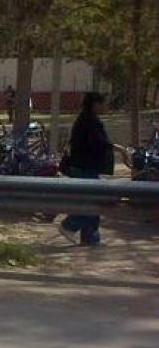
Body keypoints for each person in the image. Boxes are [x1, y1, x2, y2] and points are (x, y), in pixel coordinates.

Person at [59, 92, 113, 246]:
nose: (105, 107)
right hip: (85, 167)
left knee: (90, 202)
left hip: (81, 165)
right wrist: (115, 147)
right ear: (96, 104)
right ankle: (69, 225)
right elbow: (99, 143)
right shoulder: (91, 121)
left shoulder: (84, 119)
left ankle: (90, 238)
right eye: (103, 103)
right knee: (91, 202)